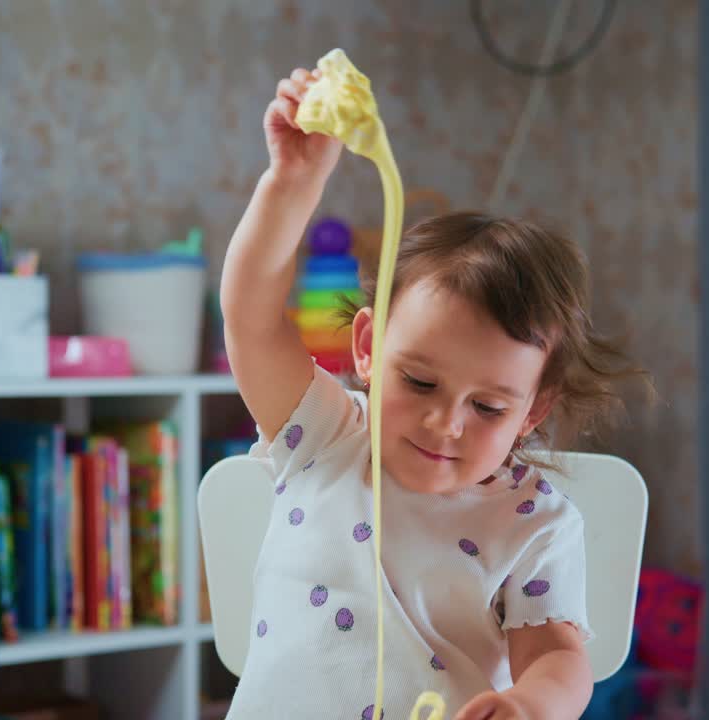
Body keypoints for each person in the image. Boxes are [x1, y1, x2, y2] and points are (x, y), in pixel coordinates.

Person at [219, 66, 628, 720]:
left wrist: (529, 705)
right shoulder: (323, 437)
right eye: (419, 381)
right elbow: (251, 317)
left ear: (534, 411)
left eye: (487, 407)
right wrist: (293, 183)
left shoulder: (532, 521)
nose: (446, 423)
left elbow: (556, 657)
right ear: (367, 348)